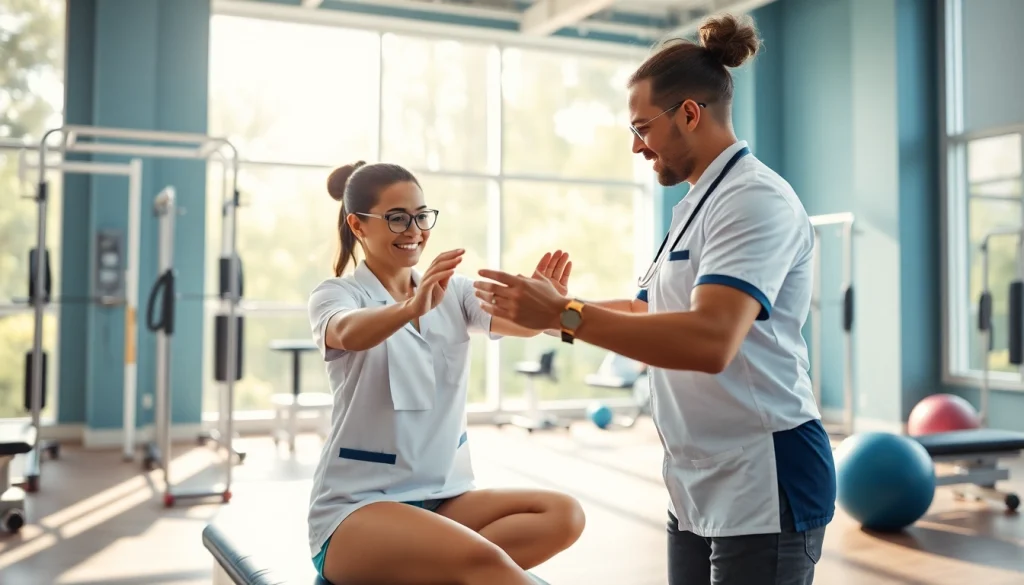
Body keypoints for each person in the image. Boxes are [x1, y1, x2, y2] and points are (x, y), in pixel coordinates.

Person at [474, 13, 836, 585]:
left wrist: (566, 314)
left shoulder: (754, 200)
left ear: (689, 113)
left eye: (642, 128)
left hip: (764, 474)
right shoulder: (695, 204)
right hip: (696, 477)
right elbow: (650, 315)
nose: (637, 147)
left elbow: (711, 339)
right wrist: (547, 315)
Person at [306, 161, 585, 585]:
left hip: (443, 500)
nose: (414, 229)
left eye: (421, 216)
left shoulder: (452, 290)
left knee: (565, 515)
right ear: (358, 226)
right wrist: (409, 308)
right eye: (397, 218)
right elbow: (346, 331)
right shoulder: (338, 293)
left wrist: (557, 310)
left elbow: (534, 326)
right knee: (486, 564)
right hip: (356, 509)